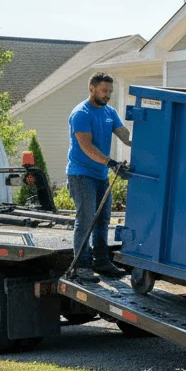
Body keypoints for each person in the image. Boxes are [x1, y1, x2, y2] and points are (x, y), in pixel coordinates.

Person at [66, 72, 131, 283]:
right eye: (104, 91)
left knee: (103, 220)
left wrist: (143, 144)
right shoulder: (81, 113)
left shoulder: (109, 112)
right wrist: (112, 163)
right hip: (81, 175)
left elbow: (124, 135)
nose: (107, 95)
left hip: (101, 175)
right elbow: (86, 147)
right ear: (91, 89)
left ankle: (102, 262)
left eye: (110, 92)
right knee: (85, 220)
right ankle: (81, 266)